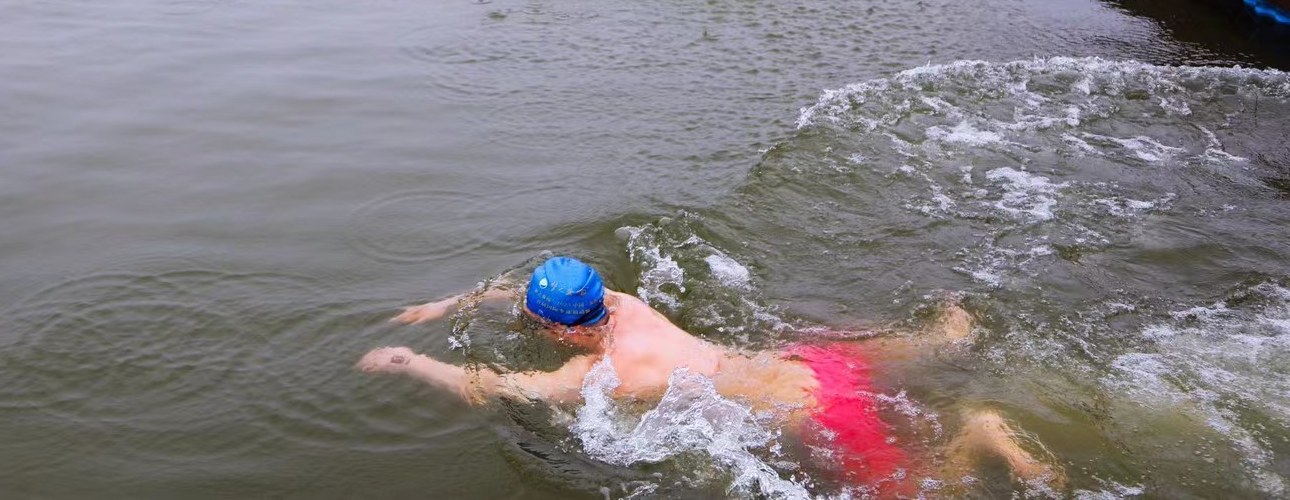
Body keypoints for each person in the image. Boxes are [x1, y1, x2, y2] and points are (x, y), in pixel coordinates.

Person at [359, 257, 1061, 498]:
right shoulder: (625, 305)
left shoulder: (607, 372)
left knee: (915, 491)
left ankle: (979, 434)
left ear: (565, 329)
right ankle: (944, 334)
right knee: (883, 351)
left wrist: (410, 360)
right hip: (810, 368)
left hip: (823, 418)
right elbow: (523, 289)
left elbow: (491, 386)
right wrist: (453, 302)